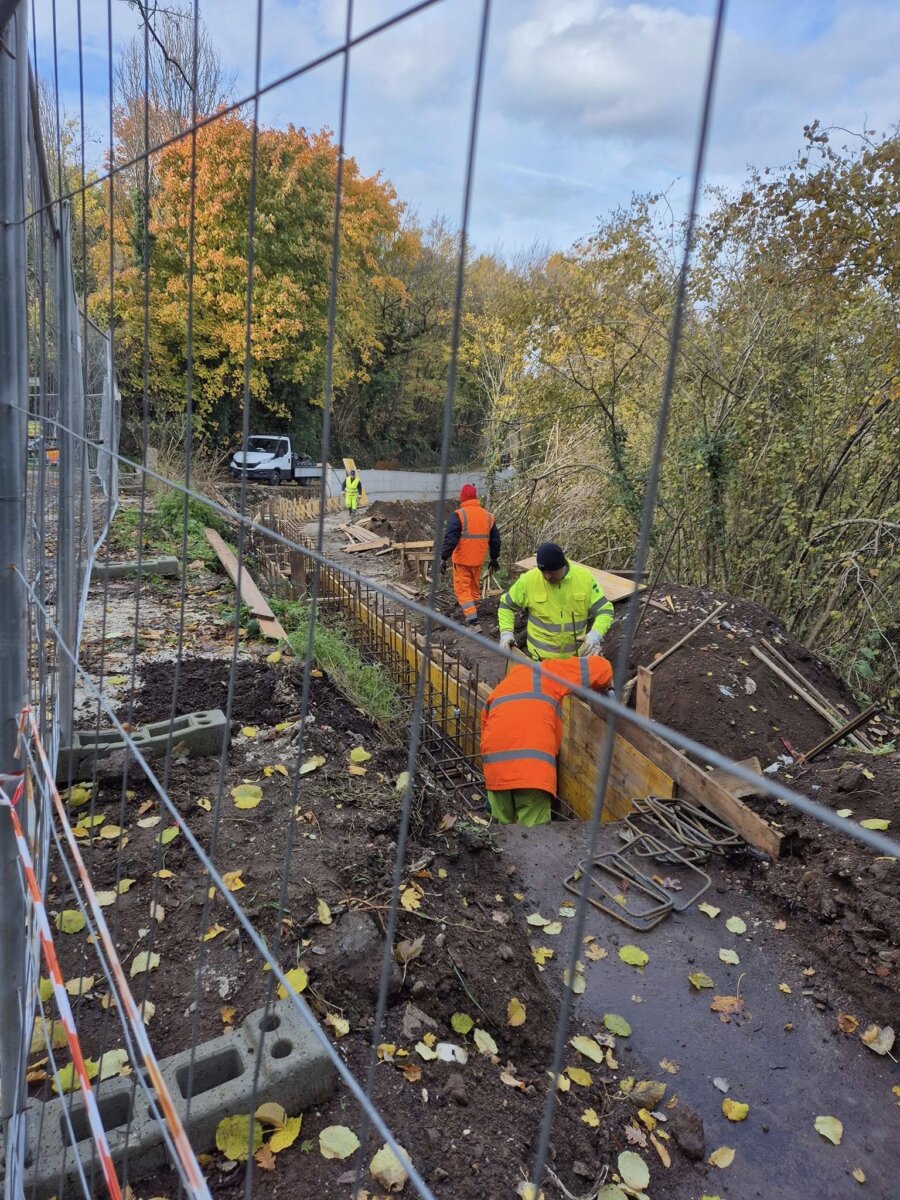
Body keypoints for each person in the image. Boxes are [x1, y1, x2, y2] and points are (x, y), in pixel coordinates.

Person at [481, 655, 613, 826]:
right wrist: (605, 688)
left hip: (496, 772)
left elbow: (485, 728)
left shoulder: (500, 689)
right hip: (532, 771)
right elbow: (601, 668)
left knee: (503, 837)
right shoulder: (547, 672)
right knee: (534, 838)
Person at [498, 541, 613, 660]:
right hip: (539, 661)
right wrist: (506, 633)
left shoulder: (585, 579)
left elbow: (605, 610)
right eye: (544, 572)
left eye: (552, 572)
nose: (547, 577)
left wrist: (595, 634)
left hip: (575, 660)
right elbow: (506, 605)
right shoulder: (529, 580)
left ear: (562, 565)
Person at [440, 484, 500, 629]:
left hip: (461, 560)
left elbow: (451, 538)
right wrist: (494, 558)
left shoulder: (459, 515)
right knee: (474, 588)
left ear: (463, 498)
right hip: (478, 560)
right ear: (475, 497)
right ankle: (474, 612)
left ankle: (473, 622)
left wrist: (443, 557)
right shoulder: (488, 516)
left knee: (462, 590)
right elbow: (496, 540)